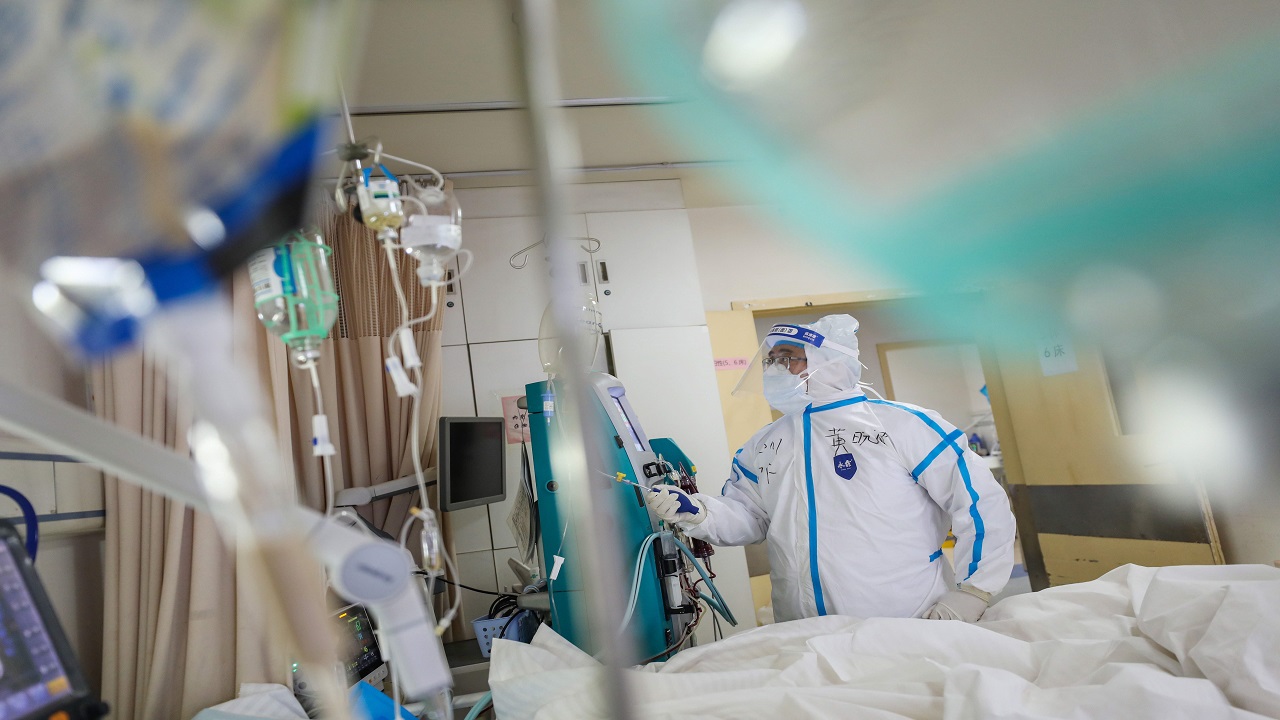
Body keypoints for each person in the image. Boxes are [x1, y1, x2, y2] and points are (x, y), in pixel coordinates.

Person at [646, 314, 1016, 622]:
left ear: (829, 363)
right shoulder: (763, 444)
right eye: (770, 360)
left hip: (906, 617)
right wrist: (700, 512)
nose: (775, 369)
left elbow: (979, 501)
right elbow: (751, 519)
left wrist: (974, 591)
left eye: (788, 358)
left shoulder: (903, 425)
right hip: (803, 626)